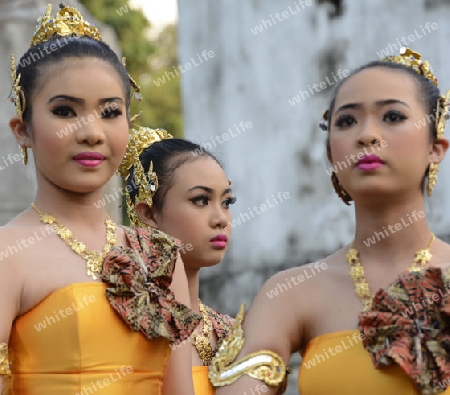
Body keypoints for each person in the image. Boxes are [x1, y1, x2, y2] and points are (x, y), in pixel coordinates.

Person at [210, 47, 450, 395]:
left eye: (393, 116)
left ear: (435, 147)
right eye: (347, 121)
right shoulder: (292, 293)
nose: (366, 135)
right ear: (330, 152)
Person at [0, 4, 200, 394]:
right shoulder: (8, 253)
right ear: (23, 130)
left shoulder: (161, 255)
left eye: (110, 111)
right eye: (64, 110)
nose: (91, 132)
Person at [118, 125, 236, 394]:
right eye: (200, 200)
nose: (221, 219)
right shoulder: (122, 322)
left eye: (227, 202)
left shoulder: (230, 333)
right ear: (148, 214)